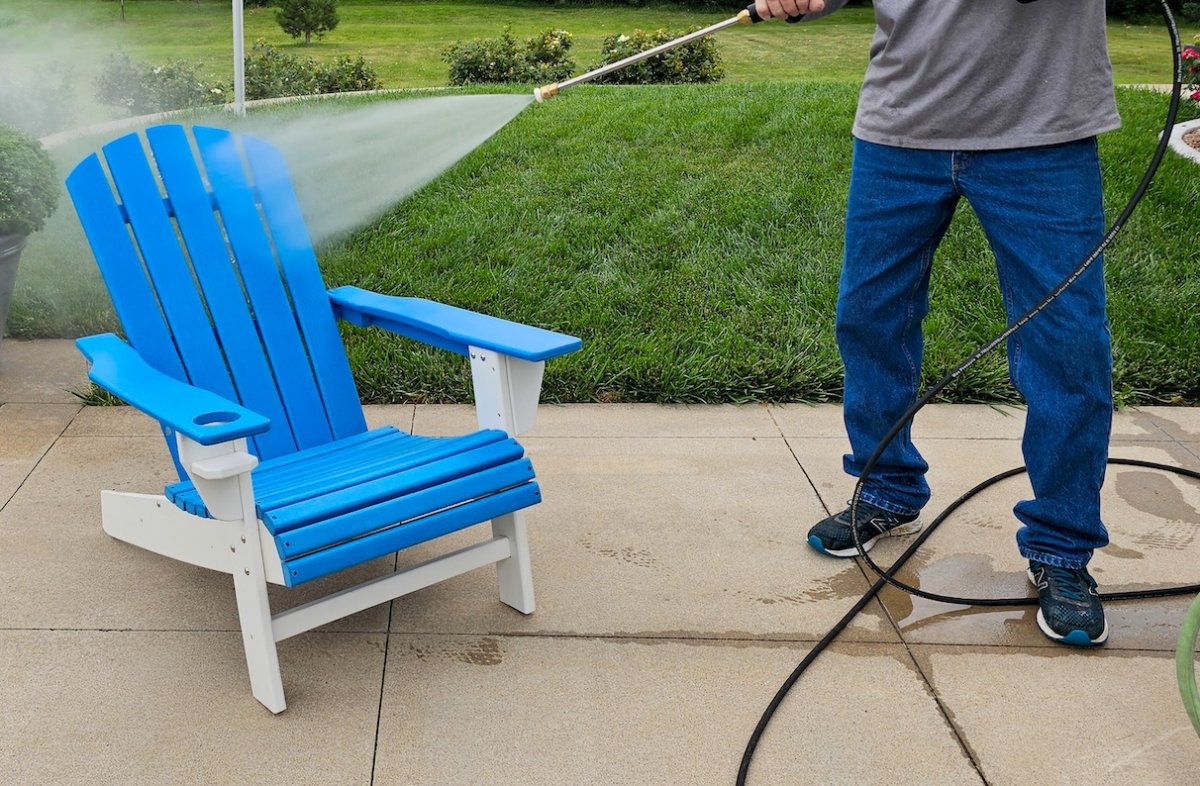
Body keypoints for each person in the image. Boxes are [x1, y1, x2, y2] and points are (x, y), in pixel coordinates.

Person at [757, 0, 1120, 646]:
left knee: (1067, 346)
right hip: (902, 122)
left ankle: (1063, 550)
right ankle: (886, 486)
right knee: (870, 318)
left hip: (1043, 129)